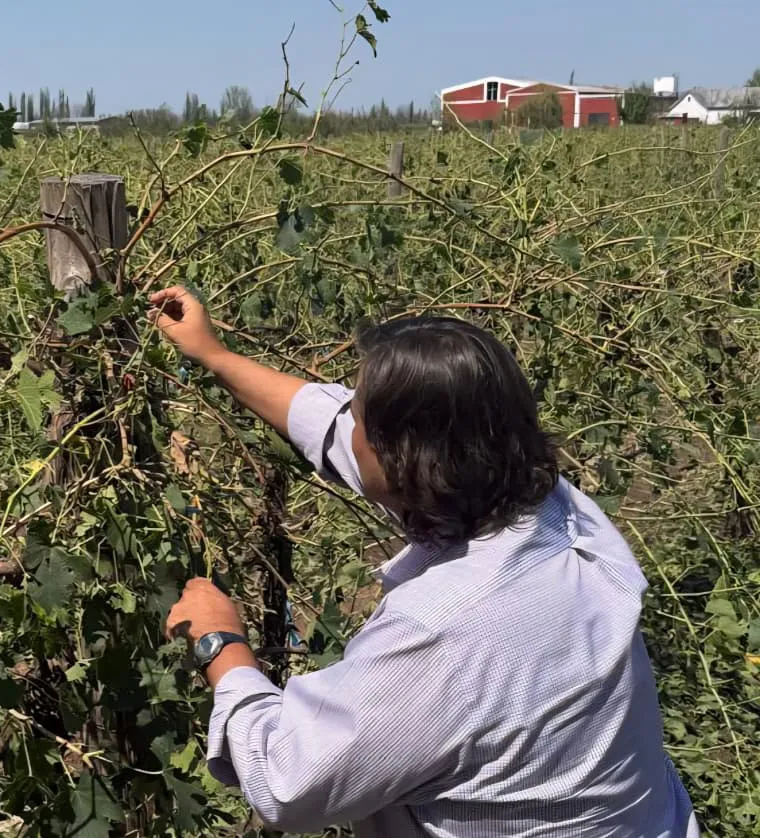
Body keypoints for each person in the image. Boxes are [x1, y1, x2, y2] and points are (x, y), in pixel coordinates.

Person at [147, 286, 699, 837]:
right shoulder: (557, 508)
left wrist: (223, 645)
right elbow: (332, 428)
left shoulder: (442, 635)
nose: (349, 429)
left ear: (403, 457)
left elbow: (285, 781)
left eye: (361, 420)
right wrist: (213, 354)